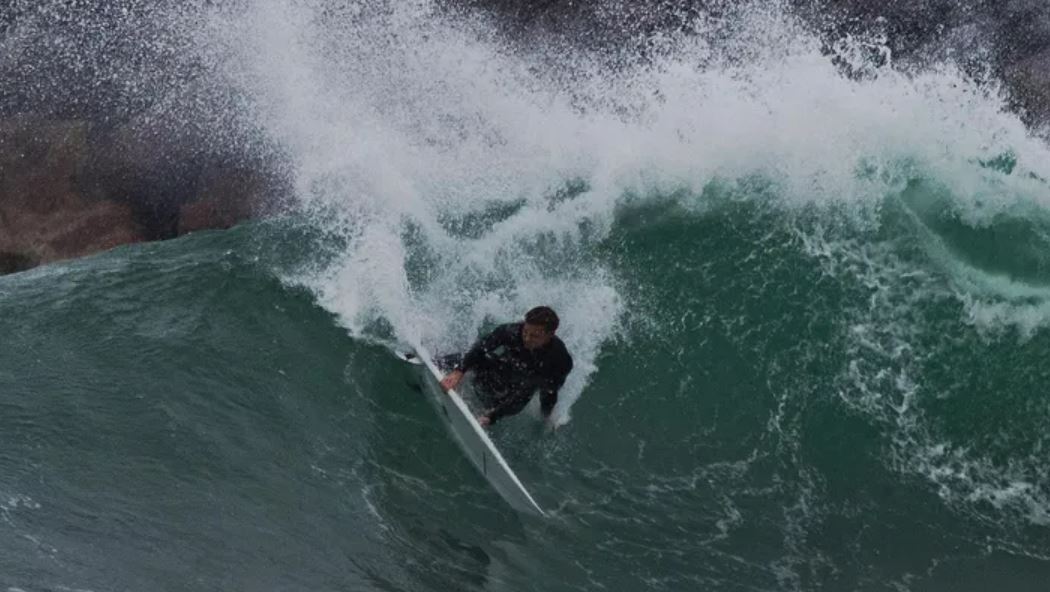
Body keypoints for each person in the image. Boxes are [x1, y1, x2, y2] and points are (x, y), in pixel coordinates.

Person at [440, 306, 573, 428]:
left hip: (509, 398)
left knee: (530, 386)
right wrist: (459, 372)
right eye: (526, 332)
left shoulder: (560, 360)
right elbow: (480, 348)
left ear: (550, 334)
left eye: (534, 336)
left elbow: (549, 393)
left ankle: (488, 418)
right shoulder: (511, 331)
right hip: (495, 375)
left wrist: (545, 418)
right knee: (479, 357)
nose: (527, 338)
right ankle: (434, 363)